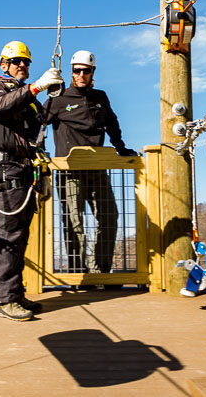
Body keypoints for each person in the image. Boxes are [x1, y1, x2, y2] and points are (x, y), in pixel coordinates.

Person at [0, 40, 62, 321]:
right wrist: (37, 87)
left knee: (20, 234)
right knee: (8, 234)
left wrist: (51, 95)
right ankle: (4, 300)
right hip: (7, 168)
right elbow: (2, 108)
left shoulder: (26, 96)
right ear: (4, 64)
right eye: (17, 62)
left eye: (25, 62)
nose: (23, 65)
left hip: (24, 168)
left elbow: (39, 125)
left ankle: (14, 294)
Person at [42, 50, 137, 276]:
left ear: (93, 72)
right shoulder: (58, 98)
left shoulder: (100, 98)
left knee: (109, 216)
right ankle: (77, 271)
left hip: (97, 167)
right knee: (74, 222)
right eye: (77, 70)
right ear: (71, 72)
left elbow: (112, 124)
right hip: (68, 170)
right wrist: (38, 150)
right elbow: (38, 124)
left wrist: (121, 147)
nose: (81, 74)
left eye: (86, 70)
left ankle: (100, 270)